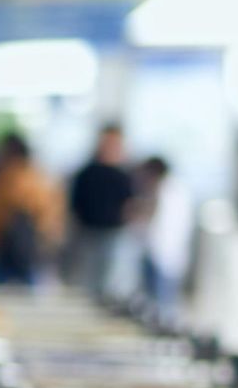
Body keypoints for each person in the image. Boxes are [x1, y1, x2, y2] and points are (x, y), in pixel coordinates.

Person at [0, 133, 64, 285]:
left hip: (2, 244)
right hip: (30, 246)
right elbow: (49, 211)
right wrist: (46, 236)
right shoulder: (38, 176)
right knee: (30, 288)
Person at [68, 124, 135, 298]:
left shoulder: (124, 175)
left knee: (111, 281)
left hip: (113, 233)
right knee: (87, 280)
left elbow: (130, 204)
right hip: (88, 232)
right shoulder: (86, 173)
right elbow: (75, 204)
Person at [134, 155, 193, 317]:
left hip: (165, 255)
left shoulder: (169, 191)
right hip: (161, 254)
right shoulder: (172, 190)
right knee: (157, 303)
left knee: (163, 305)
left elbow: (158, 223)